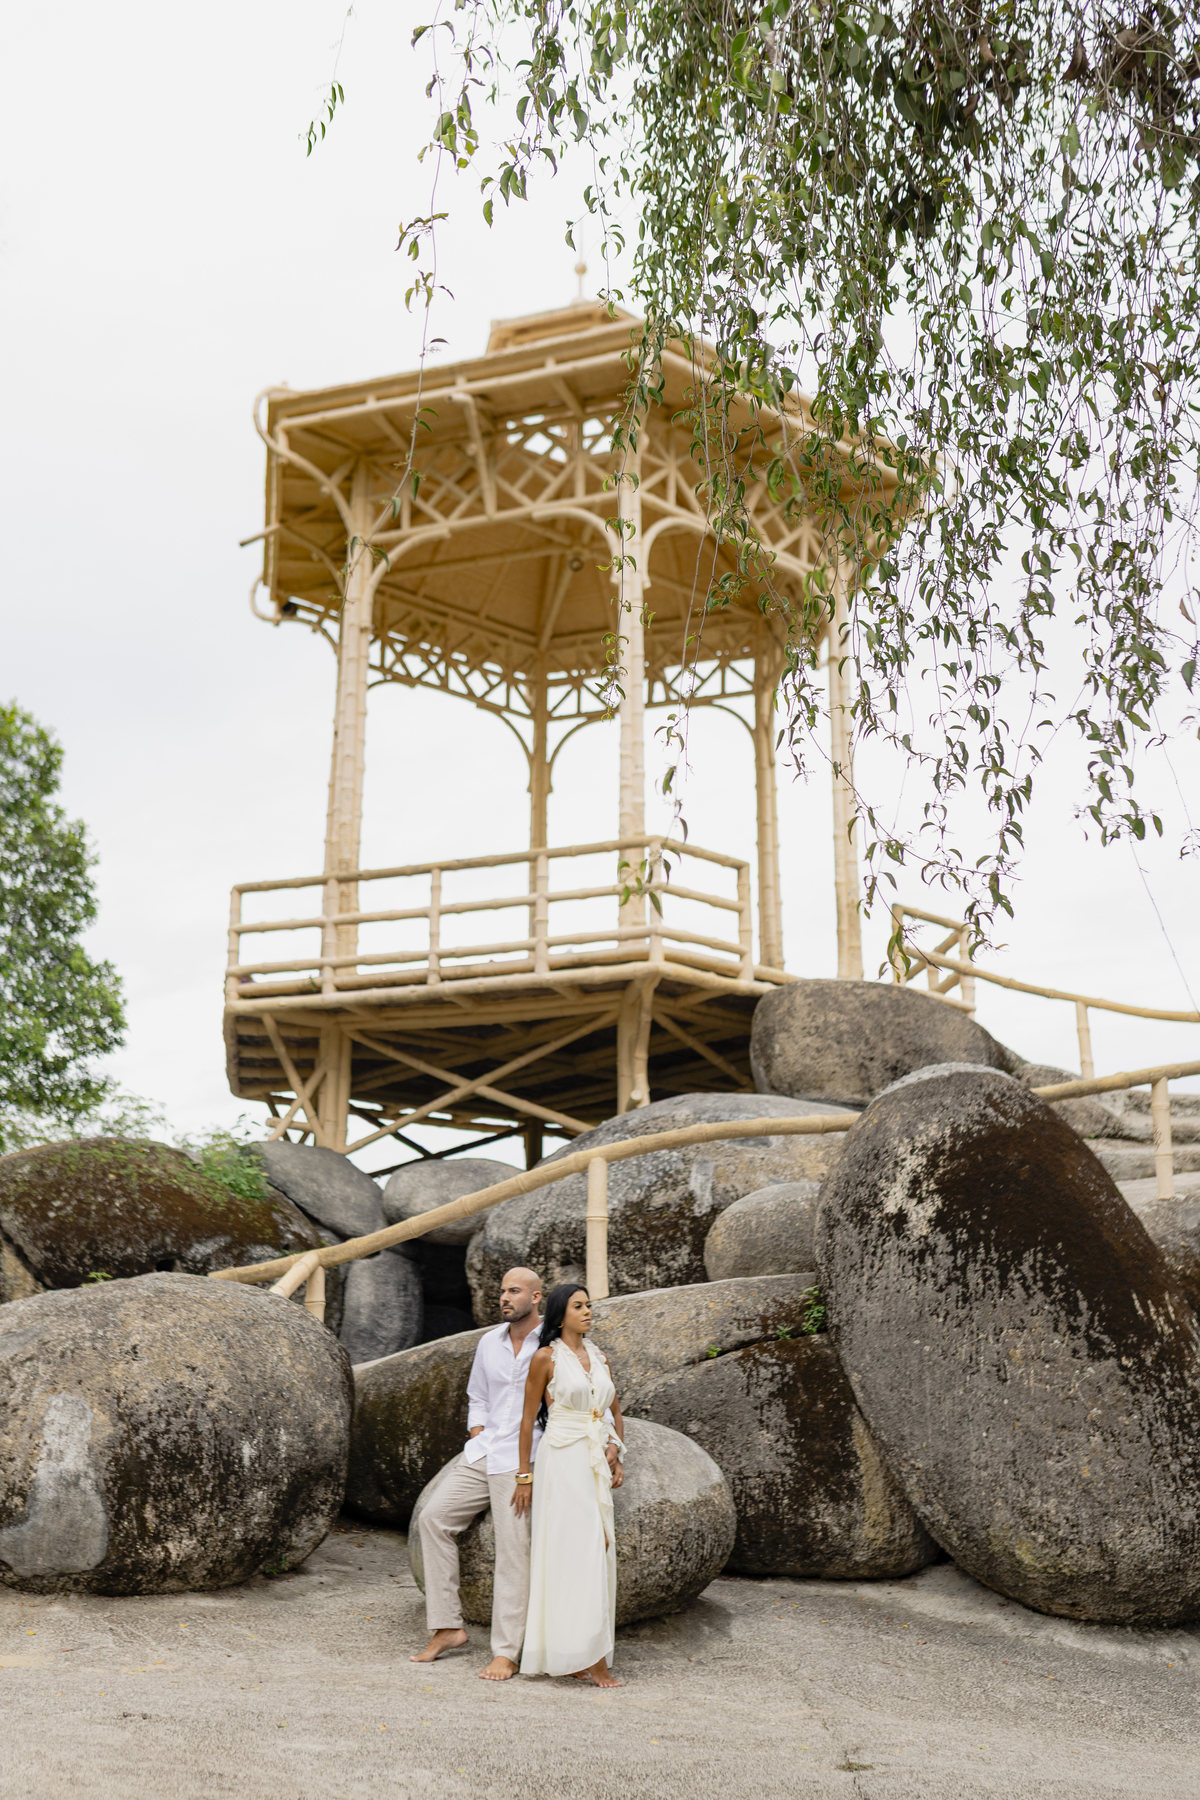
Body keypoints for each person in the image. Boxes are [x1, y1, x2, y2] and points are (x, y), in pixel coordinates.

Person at [410, 1266, 545, 1682]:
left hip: (524, 1458)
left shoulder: (553, 1342)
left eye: (515, 1291)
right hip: (485, 1451)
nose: (505, 1297)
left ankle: (506, 1652)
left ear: (536, 1297)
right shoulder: (489, 1341)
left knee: (513, 1548)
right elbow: (478, 1396)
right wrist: (477, 1431)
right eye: (503, 1290)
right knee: (433, 1519)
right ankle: (448, 1627)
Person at [514, 1283, 626, 1688]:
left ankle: (583, 1652)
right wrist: (523, 1476)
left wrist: (616, 1450)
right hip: (562, 1459)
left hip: (593, 1459)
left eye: (589, 1305)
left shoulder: (600, 1357)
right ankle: (591, 1661)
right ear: (561, 1315)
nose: (588, 1311)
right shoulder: (545, 1358)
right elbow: (527, 1420)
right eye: (579, 1306)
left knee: (601, 1547)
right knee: (576, 1552)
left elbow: (613, 1412)